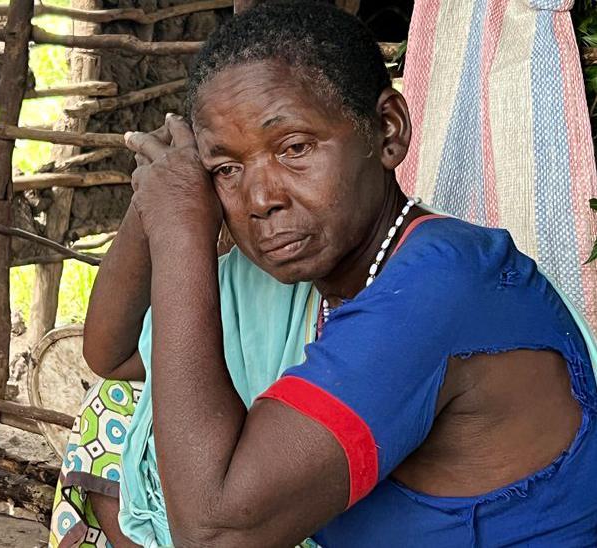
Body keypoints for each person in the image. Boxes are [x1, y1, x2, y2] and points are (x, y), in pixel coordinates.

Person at [48, 1, 597, 546]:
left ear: (387, 130)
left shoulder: (439, 290)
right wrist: (158, 200)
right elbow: (116, 356)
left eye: (295, 148)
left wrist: (180, 236)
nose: (261, 199)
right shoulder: (333, 285)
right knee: (113, 412)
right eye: (227, 169)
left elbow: (214, 532)